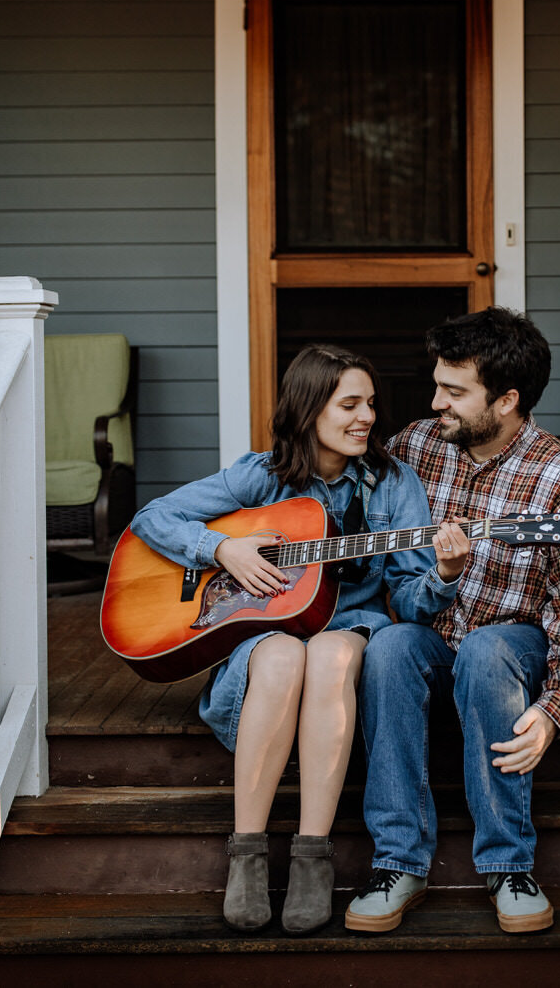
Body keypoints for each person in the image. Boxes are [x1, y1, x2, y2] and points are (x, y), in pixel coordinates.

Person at [129, 344, 468, 935]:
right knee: (286, 655)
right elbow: (152, 517)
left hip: (351, 629)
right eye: (349, 405)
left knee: (332, 654)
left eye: (370, 404)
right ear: (310, 410)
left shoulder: (392, 484)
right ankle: (248, 854)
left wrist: (442, 576)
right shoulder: (261, 475)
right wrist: (222, 548)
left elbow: (411, 599)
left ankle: (313, 853)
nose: (366, 417)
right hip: (264, 639)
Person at [344, 307, 560, 935]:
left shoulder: (559, 481)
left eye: (454, 392)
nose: (436, 403)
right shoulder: (412, 448)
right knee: (390, 647)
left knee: (487, 650)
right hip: (431, 639)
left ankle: (509, 863)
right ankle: (397, 862)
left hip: (508, 647)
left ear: (508, 400)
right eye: (437, 385)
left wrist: (554, 711)